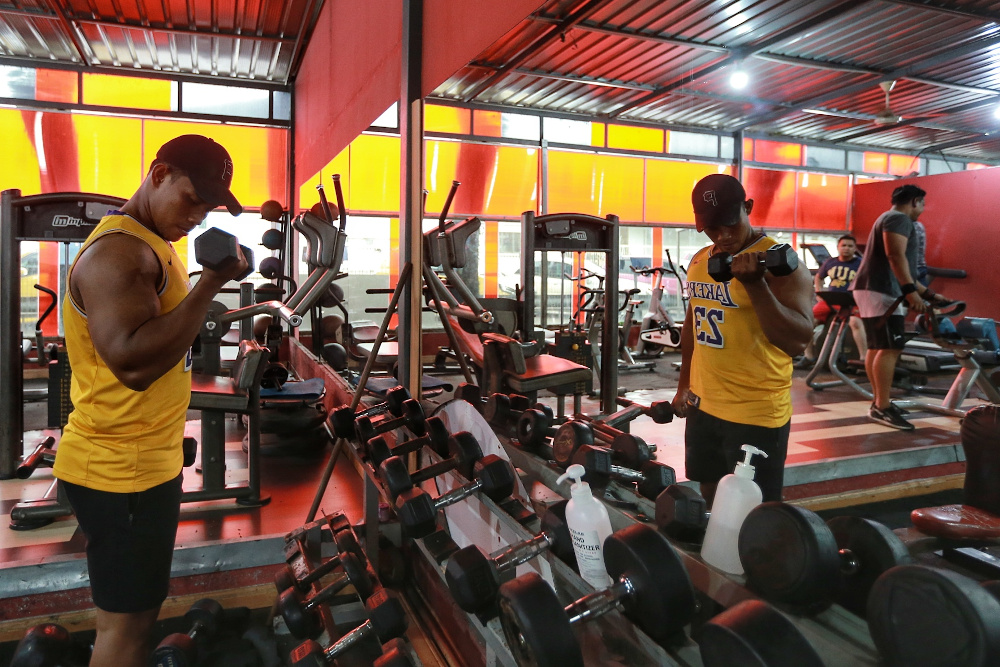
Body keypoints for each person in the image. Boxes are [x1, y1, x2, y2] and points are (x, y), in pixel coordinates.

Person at [52, 135, 247, 667]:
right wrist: (210, 286)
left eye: (208, 207)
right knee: (126, 628)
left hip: (145, 465)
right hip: (118, 472)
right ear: (158, 174)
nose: (196, 216)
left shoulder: (154, 245)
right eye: (191, 199)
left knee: (139, 615)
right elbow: (133, 364)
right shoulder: (119, 252)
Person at [671, 174, 813, 506]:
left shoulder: (783, 266)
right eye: (712, 228)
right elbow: (694, 324)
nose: (722, 236)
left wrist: (755, 285)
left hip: (757, 414)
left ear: (748, 208)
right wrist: (684, 385)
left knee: (755, 509)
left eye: (730, 225)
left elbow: (797, 343)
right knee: (709, 490)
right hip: (703, 405)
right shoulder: (700, 261)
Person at [851, 184, 950, 430]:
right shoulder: (899, 219)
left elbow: (900, 265)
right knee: (889, 348)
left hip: (875, 289)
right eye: (923, 205)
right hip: (882, 290)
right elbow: (896, 257)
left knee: (878, 347)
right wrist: (909, 292)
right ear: (915, 201)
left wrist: (929, 294)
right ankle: (882, 407)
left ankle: (879, 402)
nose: (922, 211)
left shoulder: (888, 218)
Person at [796, 234, 867, 367]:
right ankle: (809, 356)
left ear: (854, 248)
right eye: (843, 245)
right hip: (831, 299)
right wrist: (819, 292)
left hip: (852, 301)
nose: (846, 248)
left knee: (855, 322)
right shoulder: (830, 262)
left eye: (850, 246)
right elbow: (819, 277)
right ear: (838, 247)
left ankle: (863, 359)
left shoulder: (861, 264)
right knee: (807, 323)